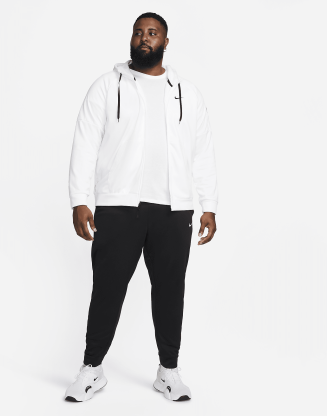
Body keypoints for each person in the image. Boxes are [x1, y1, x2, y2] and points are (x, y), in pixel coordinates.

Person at [65, 12, 218, 402]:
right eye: (138, 32)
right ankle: (92, 370)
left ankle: (169, 372)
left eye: (152, 33)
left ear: (166, 42)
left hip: (174, 209)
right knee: (108, 289)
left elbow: (202, 151)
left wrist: (208, 205)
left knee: (170, 292)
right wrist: (79, 199)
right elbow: (85, 142)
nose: (144, 38)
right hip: (118, 206)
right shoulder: (107, 86)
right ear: (131, 39)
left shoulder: (186, 92)